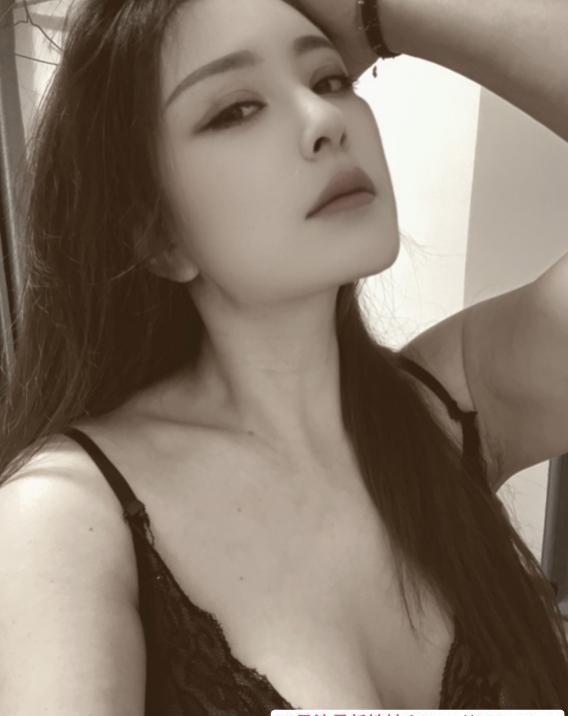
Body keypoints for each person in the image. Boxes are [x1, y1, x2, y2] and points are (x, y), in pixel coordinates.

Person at [0, 0, 567, 712]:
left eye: (329, 79)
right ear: (156, 234)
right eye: (236, 110)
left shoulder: (451, 408)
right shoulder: (63, 517)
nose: (325, 119)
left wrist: (377, 13)